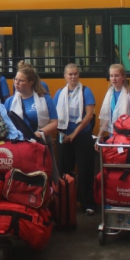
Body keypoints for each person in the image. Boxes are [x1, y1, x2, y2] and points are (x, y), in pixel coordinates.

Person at [54, 64, 96, 215]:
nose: (73, 77)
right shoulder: (59, 93)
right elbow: (55, 117)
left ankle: (88, 203)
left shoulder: (86, 91)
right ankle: (67, 202)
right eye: (70, 74)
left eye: (75, 74)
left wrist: (74, 134)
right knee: (64, 171)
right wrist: (62, 134)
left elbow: (89, 116)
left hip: (82, 135)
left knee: (85, 170)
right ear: (65, 76)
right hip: (64, 137)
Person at [97, 63, 130, 141]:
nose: (114, 79)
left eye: (117, 76)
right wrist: (100, 136)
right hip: (112, 135)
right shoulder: (109, 94)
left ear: (123, 77)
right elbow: (106, 118)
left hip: (126, 137)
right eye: (111, 76)